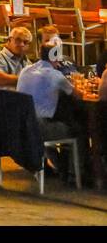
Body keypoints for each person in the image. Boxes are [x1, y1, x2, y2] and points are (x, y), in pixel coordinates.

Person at [17, 40, 86, 177]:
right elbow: (78, 95)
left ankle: (61, 168)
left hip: (22, 126)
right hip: (41, 128)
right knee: (79, 131)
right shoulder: (55, 75)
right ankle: (75, 175)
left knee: (63, 122)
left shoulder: (25, 71)